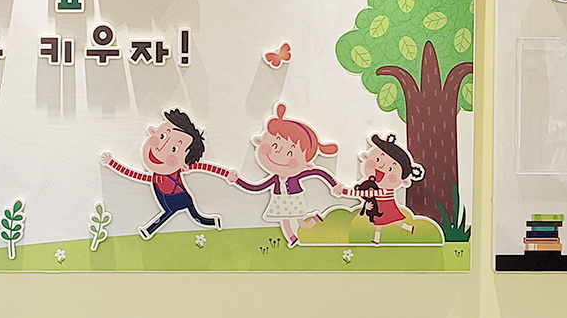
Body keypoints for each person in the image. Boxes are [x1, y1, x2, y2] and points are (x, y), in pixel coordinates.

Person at [101, 108, 239, 240]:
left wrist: (227, 174)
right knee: (191, 215)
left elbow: (204, 166)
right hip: (168, 195)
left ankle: (150, 230)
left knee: (181, 213)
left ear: (183, 163)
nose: (160, 149)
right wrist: (112, 163)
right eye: (162, 136)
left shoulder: (172, 172)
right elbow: (134, 174)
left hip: (177, 195)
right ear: (153, 131)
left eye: (174, 149)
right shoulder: (156, 176)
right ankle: (211, 222)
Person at [234, 103, 346, 247]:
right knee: (284, 221)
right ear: (260, 142)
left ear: (306, 163)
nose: (278, 155)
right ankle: (292, 239)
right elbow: (257, 187)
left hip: (294, 199)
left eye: (290, 153)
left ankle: (315, 220)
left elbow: (318, 172)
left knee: (302, 223)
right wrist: (236, 180)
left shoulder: (296, 175)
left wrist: (334, 185)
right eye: (275, 146)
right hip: (279, 201)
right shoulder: (274, 179)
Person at [351, 133, 423, 244]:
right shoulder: (372, 186)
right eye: (378, 159)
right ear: (366, 156)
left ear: (403, 181)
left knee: (391, 222)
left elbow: (371, 194)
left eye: (390, 169)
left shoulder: (383, 190)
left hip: (387, 205)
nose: (381, 167)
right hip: (379, 205)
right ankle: (379, 239)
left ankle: (409, 229)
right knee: (380, 224)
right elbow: (366, 194)